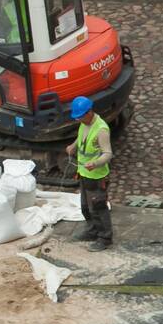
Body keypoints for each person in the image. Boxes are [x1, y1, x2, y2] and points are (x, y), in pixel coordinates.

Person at [66, 96, 113, 252]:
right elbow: (82, 138)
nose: (78, 119)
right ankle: (92, 230)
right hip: (84, 173)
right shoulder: (84, 123)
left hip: (97, 176)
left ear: (89, 112)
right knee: (85, 207)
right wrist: (73, 146)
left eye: (80, 116)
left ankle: (105, 237)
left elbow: (108, 154)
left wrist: (95, 163)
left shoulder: (101, 130)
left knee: (98, 207)